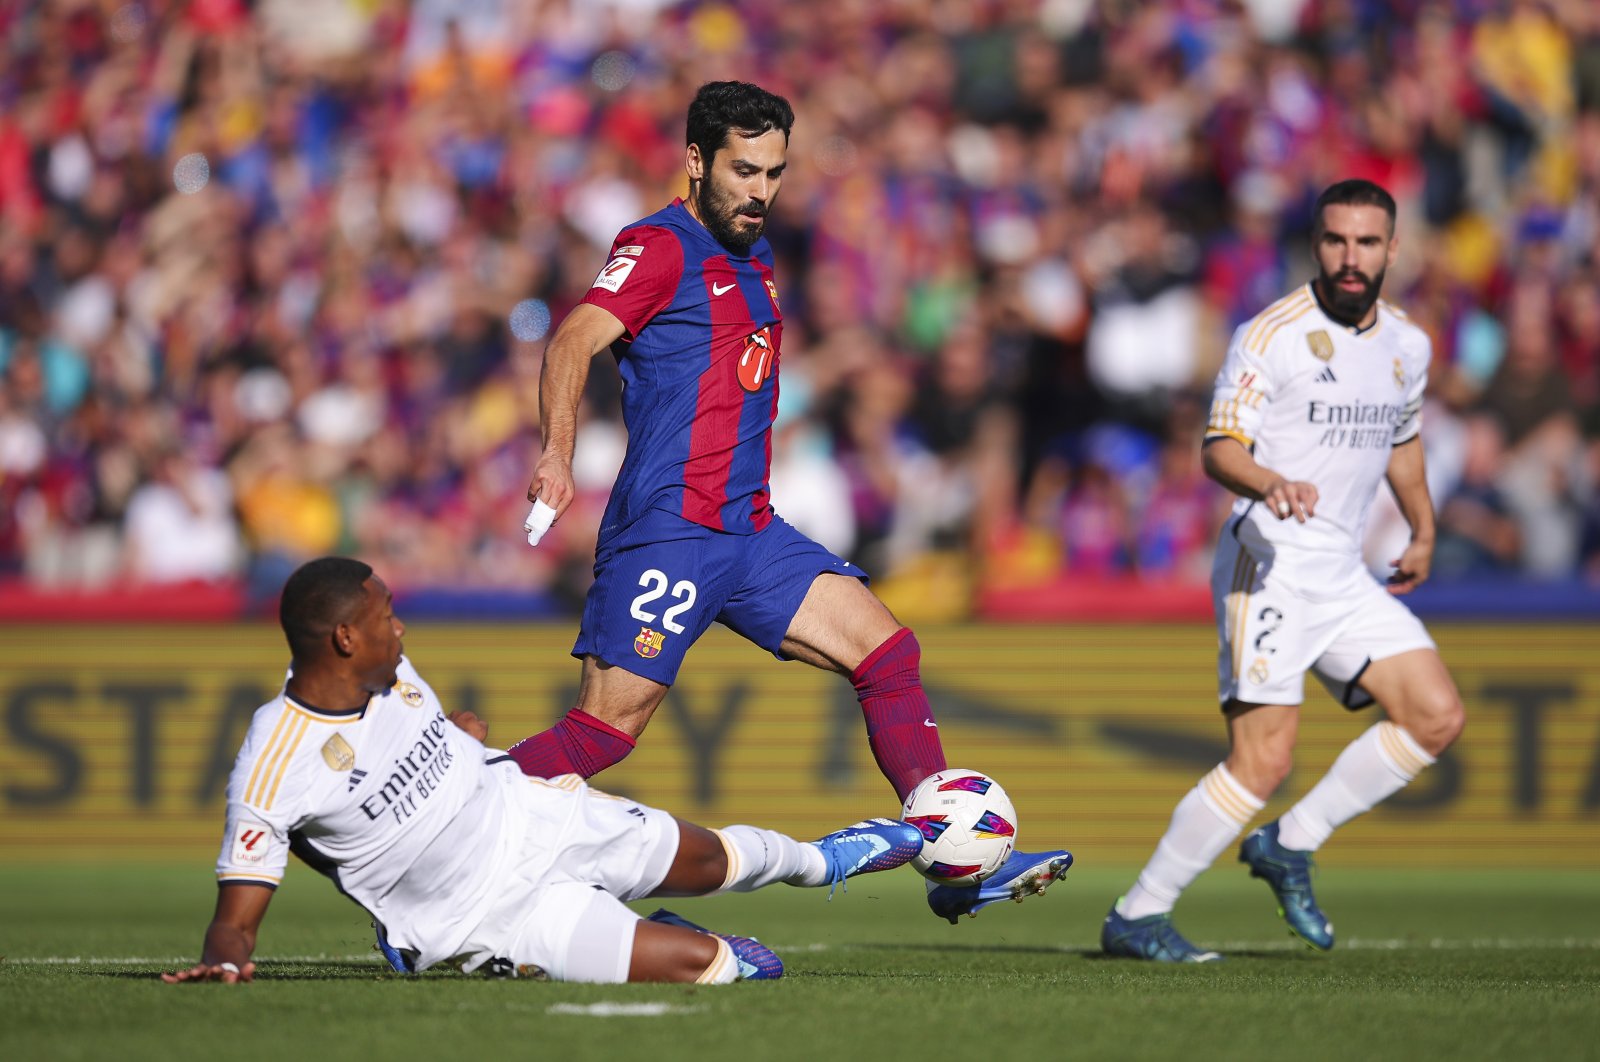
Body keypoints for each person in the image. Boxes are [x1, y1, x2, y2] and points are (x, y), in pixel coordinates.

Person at [508, 80, 1069, 922]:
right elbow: (574, 337)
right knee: (603, 734)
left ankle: (956, 864)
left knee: (888, 655)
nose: (761, 191)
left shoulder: (755, 256)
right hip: (670, 532)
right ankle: (434, 838)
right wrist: (557, 451)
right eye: (743, 170)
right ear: (696, 162)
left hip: (750, 529)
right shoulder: (658, 245)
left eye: (774, 172)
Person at [163, 556, 928, 986]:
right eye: (383, 616)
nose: (399, 625)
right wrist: (222, 964)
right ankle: (654, 933)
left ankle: (826, 858)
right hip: (481, 916)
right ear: (341, 639)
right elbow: (235, 919)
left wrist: (460, 739)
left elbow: (422, 742)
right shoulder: (274, 761)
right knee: (724, 969)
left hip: (534, 814)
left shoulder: (391, 670)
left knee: (720, 860)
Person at [1101, 180, 1466, 962]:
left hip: (1342, 570)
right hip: (1267, 562)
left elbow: (1402, 441)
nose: (1350, 257)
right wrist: (1270, 482)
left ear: (1392, 250)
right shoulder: (1270, 335)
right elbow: (1218, 448)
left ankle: (1290, 843)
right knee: (1264, 758)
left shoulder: (1408, 344)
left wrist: (1424, 527)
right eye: (1336, 240)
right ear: (1316, 244)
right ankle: (1139, 912)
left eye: (1367, 243)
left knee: (1435, 715)